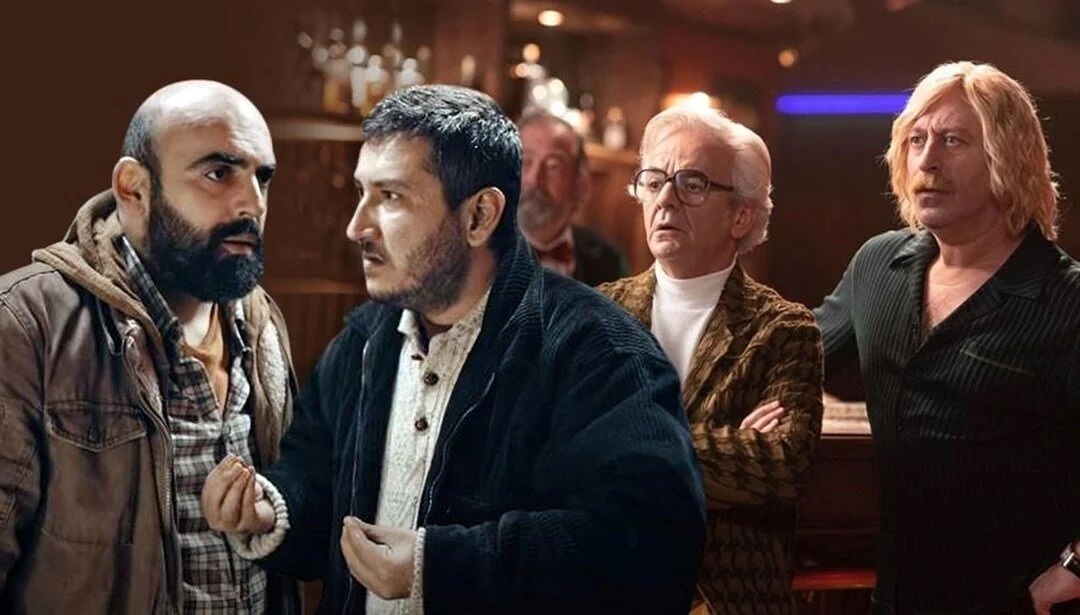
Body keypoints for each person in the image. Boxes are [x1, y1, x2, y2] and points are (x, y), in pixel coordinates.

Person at [202, 84, 706, 614]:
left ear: (479, 216)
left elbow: (652, 548)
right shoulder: (361, 343)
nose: (357, 227)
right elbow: (317, 485)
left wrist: (438, 567)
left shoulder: (603, 352)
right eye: (362, 192)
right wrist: (272, 507)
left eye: (391, 197)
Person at [0, 80, 299, 613]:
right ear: (134, 188)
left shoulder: (260, 322)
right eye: (218, 173)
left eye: (263, 177)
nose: (252, 202)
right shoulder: (26, 325)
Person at [815, 61, 1080, 614]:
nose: (927, 160)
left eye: (953, 140)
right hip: (896, 598)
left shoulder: (1067, 300)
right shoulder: (878, 264)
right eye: (917, 140)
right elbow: (790, 360)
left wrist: (1071, 573)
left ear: (1008, 159)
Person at [599, 106, 824, 613]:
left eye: (692, 184)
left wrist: (624, 445)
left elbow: (781, 467)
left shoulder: (783, 329)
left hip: (724, 599)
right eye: (653, 181)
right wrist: (723, 450)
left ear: (740, 215)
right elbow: (562, 446)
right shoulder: (600, 312)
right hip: (611, 587)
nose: (665, 199)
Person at [517, 110, 629, 285]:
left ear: (581, 184)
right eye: (525, 162)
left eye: (553, 166)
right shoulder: (476, 252)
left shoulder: (608, 261)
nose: (534, 179)